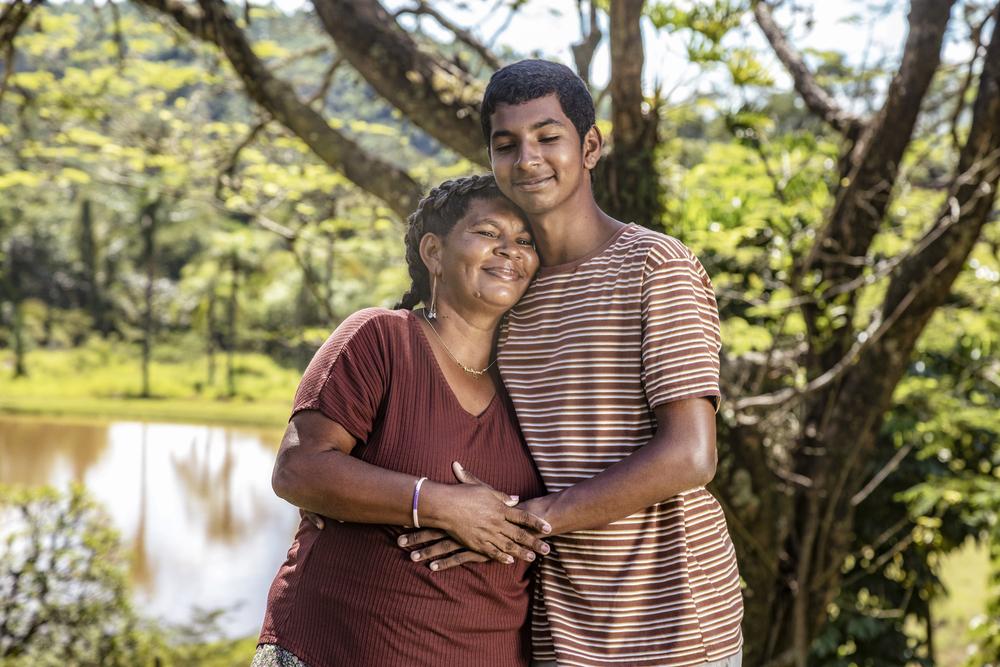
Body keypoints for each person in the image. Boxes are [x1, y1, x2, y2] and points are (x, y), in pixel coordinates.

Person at [405, 60, 744, 666]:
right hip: (559, 618)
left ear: (589, 146)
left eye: (547, 136)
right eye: (506, 144)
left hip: (670, 617)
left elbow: (691, 456)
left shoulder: (654, 267)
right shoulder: (511, 289)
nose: (528, 158)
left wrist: (528, 520)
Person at [252, 174, 550, 667]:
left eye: (524, 240)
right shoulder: (381, 339)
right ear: (433, 252)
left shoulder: (532, 387)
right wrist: (436, 504)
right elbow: (298, 469)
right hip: (335, 648)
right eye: (488, 233)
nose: (509, 251)